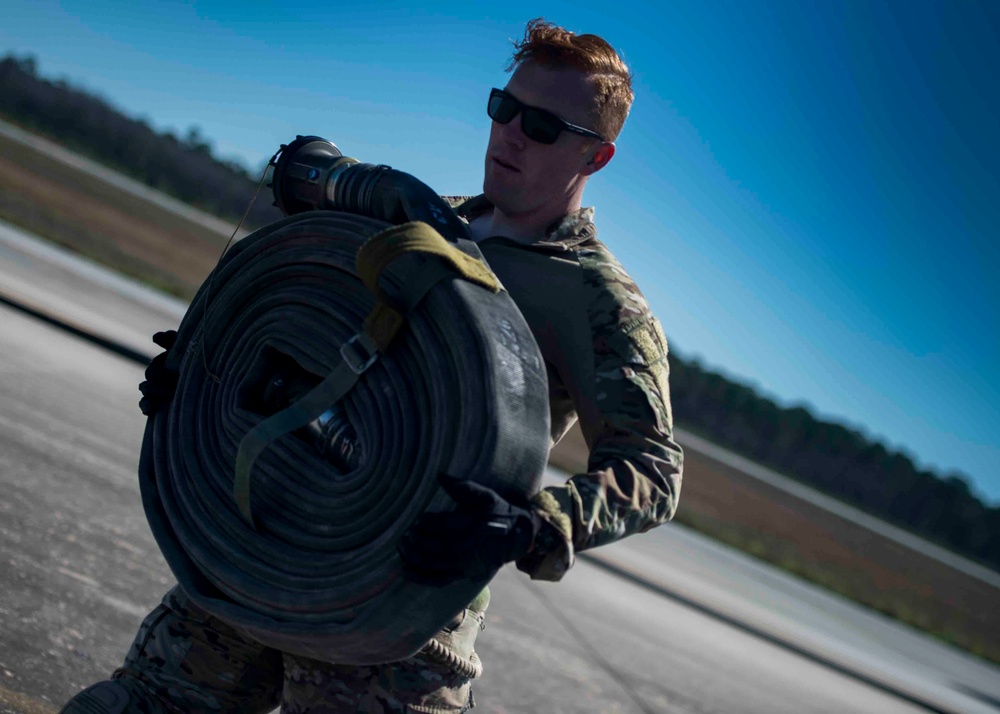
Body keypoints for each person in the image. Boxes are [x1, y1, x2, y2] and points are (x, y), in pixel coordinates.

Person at [61, 17, 683, 713]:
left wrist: (536, 526)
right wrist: (200, 379)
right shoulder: (416, 221)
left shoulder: (598, 299)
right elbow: (303, 284)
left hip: (402, 602)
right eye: (503, 108)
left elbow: (653, 472)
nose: (509, 133)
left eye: (540, 127)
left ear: (595, 158)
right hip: (273, 535)